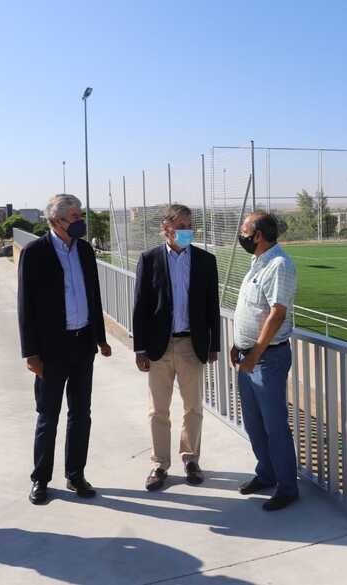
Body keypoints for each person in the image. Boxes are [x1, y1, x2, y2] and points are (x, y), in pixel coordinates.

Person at [18, 194, 112, 505]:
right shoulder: (35, 253)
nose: (80, 220)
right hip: (50, 350)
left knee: (81, 413)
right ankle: (40, 479)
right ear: (57, 221)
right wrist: (30, 352)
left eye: (80, 213)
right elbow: (25, 306)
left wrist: (100, 338)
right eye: (75, 216)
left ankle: (75, 474)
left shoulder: (84, 250)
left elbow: (94, 296)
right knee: (48, 416)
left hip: (82, 343)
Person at [132, 204, 220, 491]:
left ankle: (191, 459)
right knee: (158, 410)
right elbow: (140, 308)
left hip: (191, 345)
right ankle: (159, 465)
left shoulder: (206, 261)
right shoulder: (149, 259)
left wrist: (213, 345)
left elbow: (211, 307)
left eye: (189, 224)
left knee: (193, 407)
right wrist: (140, 348)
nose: (186, 230)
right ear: (165, 228)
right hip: (159, 347)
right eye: (180, 225)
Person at [230, 211, 299, 511]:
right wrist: (238, 346)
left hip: (267, 359)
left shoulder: (279, 265)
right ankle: (266, 473)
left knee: (274, 425)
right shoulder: (257, 262)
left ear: (257, 235)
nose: (240, 235)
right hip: (249, 358)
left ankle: (287, 487)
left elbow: (277, 314)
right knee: (254, 424)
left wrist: (255, 353)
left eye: (244, 230)